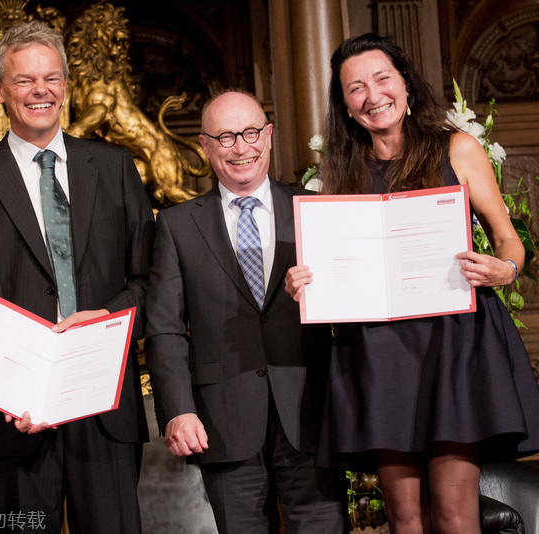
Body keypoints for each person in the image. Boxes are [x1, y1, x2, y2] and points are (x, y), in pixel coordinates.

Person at [285, 33, 539, 534]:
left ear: (405, 84)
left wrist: (504, 269)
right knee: (404, 516)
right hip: (378, 351)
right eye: (355, 88)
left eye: (382, 79)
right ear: (345, 105)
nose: (372, 95)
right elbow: (335, 263)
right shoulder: (340, 171)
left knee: (454, 511)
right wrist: (307, 282)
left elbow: (510, 241)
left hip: (454, 344)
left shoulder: (457, 148)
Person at [0, 21, 154, 534]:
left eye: (51, 78)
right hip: (16, 419)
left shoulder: (115, 166)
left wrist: (107, 319)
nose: (41, 91)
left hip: (104, 404)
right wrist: (14, 392)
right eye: (24, 80)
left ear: (66, 85)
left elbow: (150, 283)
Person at [144, 90, 346, 534]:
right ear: (205, 145)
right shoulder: (177, 226)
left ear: (268, 136)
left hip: (310, 414)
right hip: (222, 422)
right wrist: (178, 410)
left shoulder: (313, 210)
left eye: (251, 133)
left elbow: (352, 302)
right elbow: (164, 329)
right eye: (226, 137)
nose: (241, 147)